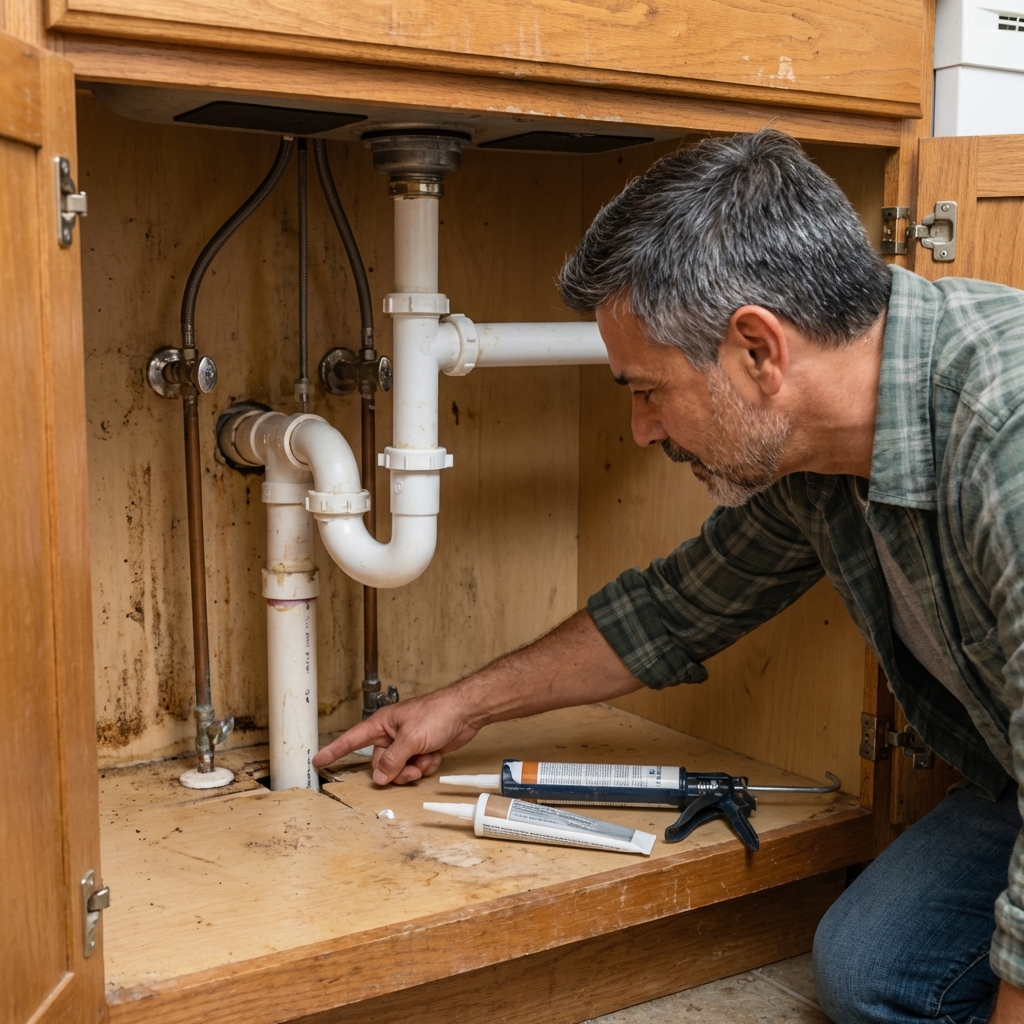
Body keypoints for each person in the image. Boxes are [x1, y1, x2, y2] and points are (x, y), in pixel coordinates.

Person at [312, 129, 1024, 1024]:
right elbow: (675, 609)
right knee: (872, 971)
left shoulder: (1005, 431)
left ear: (758, 350)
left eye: (647, 390)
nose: (644, 431)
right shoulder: (824, 455)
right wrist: (463, 707)